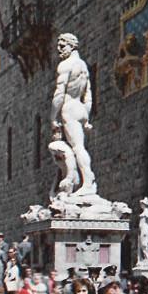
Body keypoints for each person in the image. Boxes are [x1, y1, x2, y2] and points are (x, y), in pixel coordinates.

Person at [50, 33, 95, 194]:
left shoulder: (65, 65)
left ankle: (88, 182)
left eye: (62, 46)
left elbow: (59, 94)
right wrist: (86, 116)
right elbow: (88, 94)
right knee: (78, 147)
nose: (59, 49)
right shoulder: (82, 65)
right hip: (80, 108)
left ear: (71, 46)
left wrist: (53, 117)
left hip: (69, 107)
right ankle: (77, 180)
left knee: (77, 147)